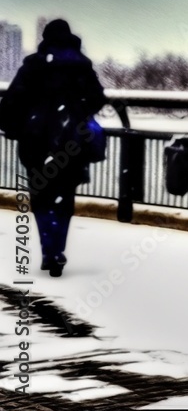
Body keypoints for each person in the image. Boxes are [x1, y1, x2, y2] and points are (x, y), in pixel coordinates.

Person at [0, 19, 108, 277]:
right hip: (73, 141)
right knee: (65, 196)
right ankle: (57, 248)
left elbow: (12, 101)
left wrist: (17, 125)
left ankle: (49, 250)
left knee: (42, 195)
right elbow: (97, 98)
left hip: (37, 142)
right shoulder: (81, 65)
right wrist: (77, 112)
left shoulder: (34, 65)